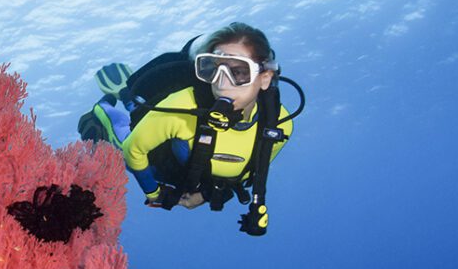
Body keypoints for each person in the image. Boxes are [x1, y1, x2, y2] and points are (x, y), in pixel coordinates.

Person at [78, 22, 302, 236]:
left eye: (239, 71)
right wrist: (155, 193)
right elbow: (133, 151)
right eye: (213, 69)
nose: (221, 84)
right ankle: (107, 107)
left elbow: (249, 170)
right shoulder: (182, 106)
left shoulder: (280, 124)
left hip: (199, 174)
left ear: (264, 78)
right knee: (124, 141)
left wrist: (208, 194)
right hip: (167, 164)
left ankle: (130, 98)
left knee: (147, 116)